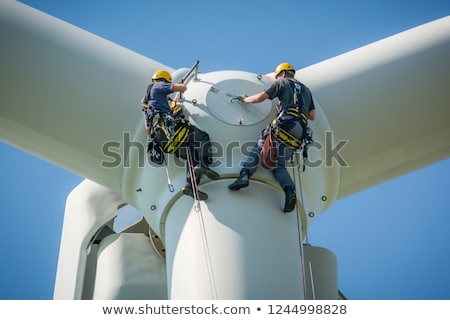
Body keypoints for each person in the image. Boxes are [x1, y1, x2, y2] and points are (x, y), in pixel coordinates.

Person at [228, 62, 315, 212]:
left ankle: (244, 175)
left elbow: (261, 98)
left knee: (260, 147)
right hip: (299, 133)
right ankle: (290, 191)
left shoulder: (281, 82)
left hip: (284, 124)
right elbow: (312, 115)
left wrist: (245, 100)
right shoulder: (306, 90)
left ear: (281, 74)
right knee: (278, 165)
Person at [142, 69, 219, 201]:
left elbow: (147, 129)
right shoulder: (159, 86)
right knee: (202, 137)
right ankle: (204, 165)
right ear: (164, 80)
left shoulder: (146, 101)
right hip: (169, 128)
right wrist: (182, 85)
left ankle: (190, 186)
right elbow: (181, 88)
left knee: (191, 152)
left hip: (161, 138)